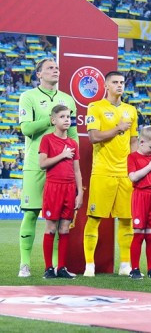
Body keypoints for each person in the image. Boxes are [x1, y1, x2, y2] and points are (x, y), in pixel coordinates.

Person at [18, 58, 78, 277]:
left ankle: (55, 266)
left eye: (57, 68)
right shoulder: (28, 97)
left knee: (60, 219)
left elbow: (73, 135)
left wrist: (74, 161)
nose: (55, 70)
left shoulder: (68, 100)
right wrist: (50, 118)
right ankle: (25, 263)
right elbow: (26, 129)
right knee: (32, 214)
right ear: (39, 74)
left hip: (62, 168)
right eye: (50, 68)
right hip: (36, 165)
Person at [83, 71, 138, 277]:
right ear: (106, 85)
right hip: (103, 172)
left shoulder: (131, 110)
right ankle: (89, 265)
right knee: (94, 217)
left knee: (126, 219)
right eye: (115, 82)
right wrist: (117, 129)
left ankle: (125, 264)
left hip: (125, 173)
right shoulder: (95, 107)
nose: (119, 85)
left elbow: (133, 140)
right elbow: (93, 137)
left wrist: (135, 166)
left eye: (122, 82)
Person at [39, 105, 82, 279]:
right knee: (50, 228)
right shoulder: (47, 139)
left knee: (64, 228)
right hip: (53, 187)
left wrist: (80, 193)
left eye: (68, 117)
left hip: (70, 188)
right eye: (62, 116)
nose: (67, 120)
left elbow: (77, 170)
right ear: (53, 120)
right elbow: (42, 164)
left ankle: (61, 267)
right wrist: (62, 155)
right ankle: (48, 268)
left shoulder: (73, 143)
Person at [127, 127, 151, 280]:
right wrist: (149, 167)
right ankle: (135, 269)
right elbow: (133, 177)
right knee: (138, 234)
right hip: (140, 196)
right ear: (141, 142)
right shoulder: (133, 157)